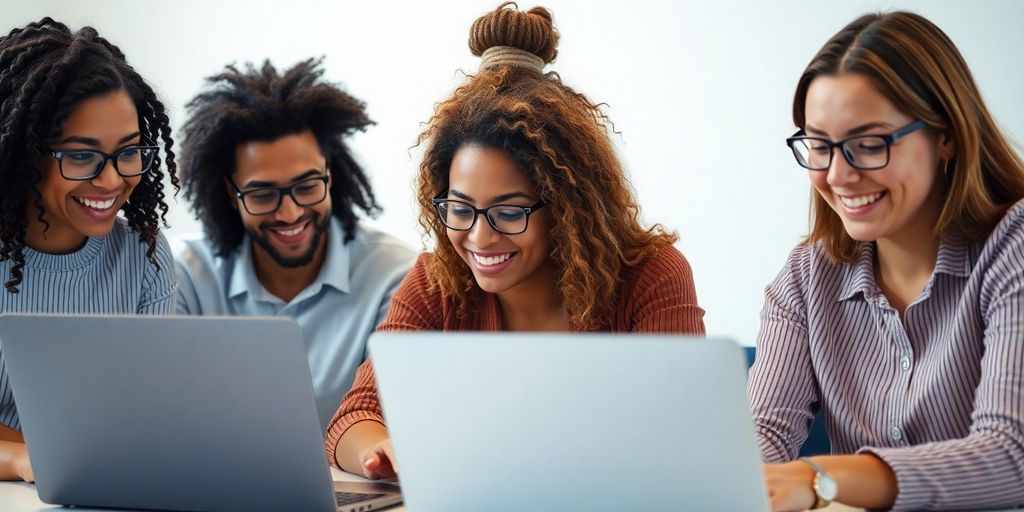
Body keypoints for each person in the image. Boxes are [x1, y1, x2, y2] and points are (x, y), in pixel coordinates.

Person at [325, 2, 706, 480]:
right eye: (460, 209)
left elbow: (682, 438)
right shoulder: (436, 281)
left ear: (568, 210)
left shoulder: (651, 276)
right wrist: (380, 448)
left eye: (508, 212)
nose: (480, 237)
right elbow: (350, 420)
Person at [749, 11, 1024, 511]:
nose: (838, 175)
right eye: (820, 145)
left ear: (947, 136)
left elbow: (1012, 458)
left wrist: (819, 480)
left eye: (868, 144)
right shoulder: (804, 277)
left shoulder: (1014, 248)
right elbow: (761, 439)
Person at [174, 58, 416, 430]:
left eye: (306, 187)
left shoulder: (393, 276)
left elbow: (392, 419)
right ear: (230, 193)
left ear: (330, 176)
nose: (289, 214)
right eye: (262, 194)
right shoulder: (186, 275)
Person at [0, 18, 179, 481]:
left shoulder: (145, 255)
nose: (112, 179)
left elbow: (147, 414)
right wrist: (22, 460)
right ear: (23, 156)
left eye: (129, 151)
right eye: (81, 156)